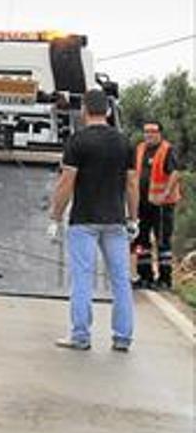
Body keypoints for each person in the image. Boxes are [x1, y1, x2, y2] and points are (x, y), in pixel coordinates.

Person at [48, 88, 139, 352]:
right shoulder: (124, 142)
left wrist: (55, 216)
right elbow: (132, 184)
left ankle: (80, 336)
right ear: (109, 112)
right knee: (121, 280)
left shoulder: (77, 141)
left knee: (82, 278)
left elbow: (67, 182)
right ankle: (122, 338)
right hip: (115, 221)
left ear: (85, 111)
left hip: (84, 221)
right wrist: (133, 218)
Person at [132, 122, 181, 291]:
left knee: (162, 242)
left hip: (162, 204)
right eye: (146, 131)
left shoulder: (167, 149)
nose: (149, 135)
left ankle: (165, 279)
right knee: (141, 241)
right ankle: (144, 276)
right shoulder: (139, 149)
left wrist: (165, 194)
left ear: (160, 133)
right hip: (142, 203)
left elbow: (175, 172)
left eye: (153, 131)